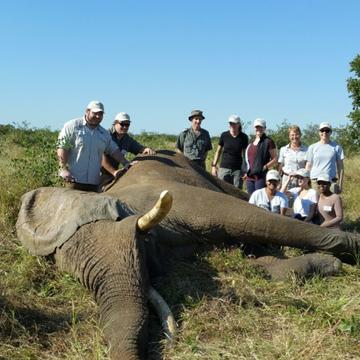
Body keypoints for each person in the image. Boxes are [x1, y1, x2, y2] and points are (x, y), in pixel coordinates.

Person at [57, 100, 128, 192]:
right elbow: (62, 147)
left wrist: (126, 162)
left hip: (94, 183)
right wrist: (62, 168)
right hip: (72, 180)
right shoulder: (71, 126)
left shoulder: (104, 134)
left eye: (100, 114)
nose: (98, 116)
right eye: (95, 113)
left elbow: (113, 150)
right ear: (87, 111)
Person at [101, 112, 156, 182]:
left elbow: (139, 148)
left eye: (127, 125)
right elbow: (100, 156)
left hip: (113, 174)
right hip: (98, 173)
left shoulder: (127, 140)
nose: (125, 127)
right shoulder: (105, 135)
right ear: (115, 123)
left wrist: (146, 149)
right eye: (122, 124)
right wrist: (114, 172)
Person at [211, 115, 249, 189]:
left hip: (237, 170)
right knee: (222, 190)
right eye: (230, 123)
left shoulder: (244, 137)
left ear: (239, 124)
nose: (232, 125)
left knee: (237, 191)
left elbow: (245, 155)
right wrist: (214, 166)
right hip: (224, 168)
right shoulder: (224, 135)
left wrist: (246, 169)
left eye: (234, 123)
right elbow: (218, 151)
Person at [305, 122, 344, 194]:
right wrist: (306, 182)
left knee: (331, 203)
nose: (324, 132)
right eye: (322, 130)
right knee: (315, 204)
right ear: (319, 132)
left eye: (327, 130)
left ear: (331, 132)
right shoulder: (312, 147)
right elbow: (308, 166)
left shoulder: (337, 147)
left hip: (331, 182)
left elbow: (340, 167)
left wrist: (340, 185)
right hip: (315, 182)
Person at [244, 118, 277, 195]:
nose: (258, 129)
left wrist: (265, 167)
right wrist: (246, 171)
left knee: (260, 199)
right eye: (257, 127)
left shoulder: (268, 142)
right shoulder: (250, 143)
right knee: (251, 199)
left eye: (260, 127)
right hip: (250, 176)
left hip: (261, 176)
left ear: (264, 128)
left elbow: (275, 159)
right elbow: (248, 160)